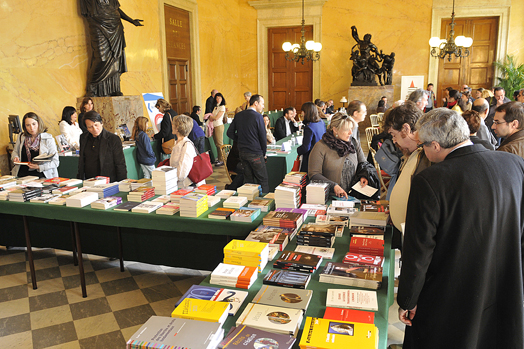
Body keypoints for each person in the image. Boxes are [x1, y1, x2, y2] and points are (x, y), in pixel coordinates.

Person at [398, 107, 524, 348]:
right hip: (506, 287)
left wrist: (408, 299)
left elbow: (419, 250)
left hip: (452, 296)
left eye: (422, 145)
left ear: (434, 145)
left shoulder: (431, 180)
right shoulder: (515, 164)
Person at [384, 101, 431, 233]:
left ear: (405, 129)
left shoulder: (427, 156)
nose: (394, 141)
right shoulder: (414, 152)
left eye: (394, 135)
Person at [80, 0, 143, 97]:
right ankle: (92, 86)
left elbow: (116, 8)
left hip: (115, 26)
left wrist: (131, 20)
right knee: (101, 57)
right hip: (98, 25)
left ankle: (114, 88)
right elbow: (89, 11)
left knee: (116, 58)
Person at [308, 112, 376, 199]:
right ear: (335, 129)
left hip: (353, 196)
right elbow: (314, 175)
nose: (350, 132)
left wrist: (364, 175)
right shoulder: (320, 147)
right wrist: (333, 186)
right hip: (330, 197)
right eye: (347, 129)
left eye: (351, 129)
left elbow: (363, 163)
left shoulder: (353, 143)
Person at [226, 94, 268, 193]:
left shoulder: (239, 115)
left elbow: (229, 133)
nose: (263, 106)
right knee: (263, 180)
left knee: (248, 181)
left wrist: (240, 139)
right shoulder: (258, 117)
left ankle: (250, 204)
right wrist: (264, 153)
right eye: (262, 104)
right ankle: (266, 205)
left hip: (243, 153)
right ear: (256, 103)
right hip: (255, 153)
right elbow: (263, 137)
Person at [77, 111, 127, 182]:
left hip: (108, 181)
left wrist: (122, 183)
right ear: (86, 128)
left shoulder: (113, 139)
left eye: (96, 125)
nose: (94, 129)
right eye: (90, 127)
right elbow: (81, 161)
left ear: (101, 123)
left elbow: (120, 164)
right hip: (89, 181)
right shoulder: (83, 138)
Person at [12, 112, 59, 179]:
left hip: (41, 175)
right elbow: (15, 152)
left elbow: (55, 162)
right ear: (25, 127)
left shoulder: (48, 138)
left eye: (34, 124)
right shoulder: (21, 136)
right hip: (22, 175)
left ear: (38, 124)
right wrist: (15, 157)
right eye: (28, 125)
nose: (32, 128)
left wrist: (39, 167)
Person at [170, 114, 205, 187]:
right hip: (181, 184)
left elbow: (182, 172)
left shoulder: (186, 145)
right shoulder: (178, 143)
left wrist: (169, 180)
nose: (171, 126)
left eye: (173, 124)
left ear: (177, 128)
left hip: (188, 186)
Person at [296, 102, 326, 173]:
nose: (302, 114)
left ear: (307, 112)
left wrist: (297, 152)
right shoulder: (321, 122)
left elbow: (306, 147)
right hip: (321, 155)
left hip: (310, 159)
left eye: (303, 111)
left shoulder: (309, 127)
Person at [210, 92, 227, 166]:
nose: (218, 99)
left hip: (218, 126)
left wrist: (211, 117)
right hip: (214, 126)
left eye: (219, 98)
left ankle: (222, 159)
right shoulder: (216, 106)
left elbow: (216, 117)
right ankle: (219, 158)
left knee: (220, 143)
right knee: (216, 143)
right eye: (217, 98)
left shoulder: (222, 107)